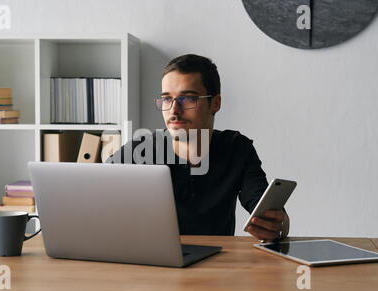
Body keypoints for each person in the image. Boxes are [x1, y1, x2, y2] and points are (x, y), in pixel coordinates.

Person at [107, 54, 289, 242]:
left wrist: (278, 224)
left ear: (215, 103)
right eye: (167, 99)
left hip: (217, 264)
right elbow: (96, 196)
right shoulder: (140, 150)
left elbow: (263, 206)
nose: (173, 111)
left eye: (187, 99)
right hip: (154, 263)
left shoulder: (236, 148)